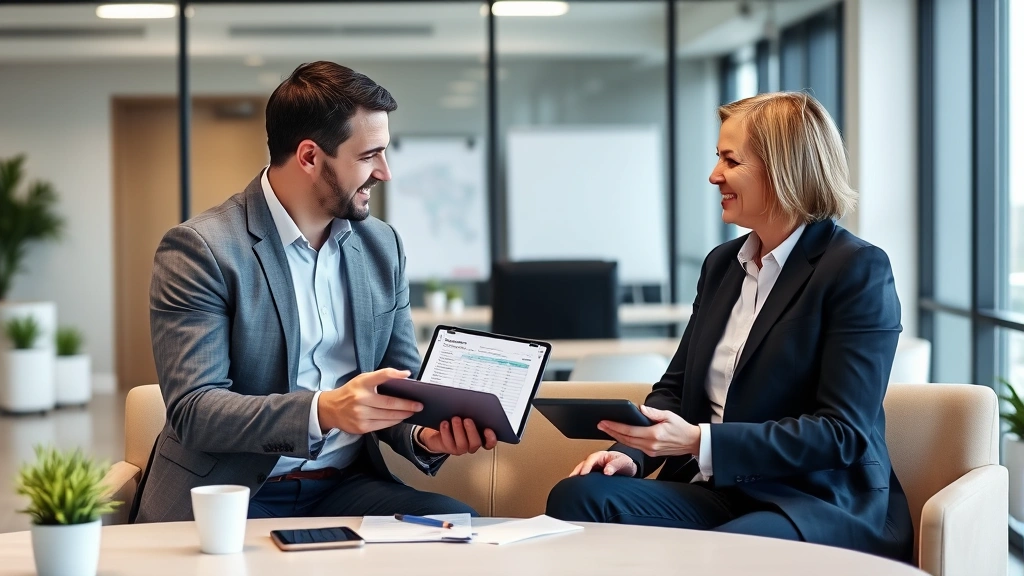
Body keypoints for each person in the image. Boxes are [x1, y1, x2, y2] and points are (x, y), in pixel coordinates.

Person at [545, 92, 914, 562]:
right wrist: (632, 453)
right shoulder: (722, 265)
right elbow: (675, 390)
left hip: (808, 498)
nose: (714, 175)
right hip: (717, 490)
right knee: (575, 498)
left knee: (737, 548)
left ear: (783, 167)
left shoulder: (856, 269)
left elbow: (841, 433)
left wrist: (702, 442)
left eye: (730, 160)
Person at [132, 61, 497, 523]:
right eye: (369, 156)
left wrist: (424, 434)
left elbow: (399, 380)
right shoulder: (203, 248)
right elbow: (195, 410)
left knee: (457, 533)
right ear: (309, 157)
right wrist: (324, 411)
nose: (385, 172)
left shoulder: (382, 246)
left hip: (344, 486)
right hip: (233, 492)